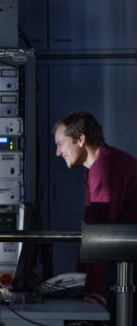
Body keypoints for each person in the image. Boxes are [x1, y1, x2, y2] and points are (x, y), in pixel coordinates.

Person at [53, 110, 137, 302]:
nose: (58, 152)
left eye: (60, 144)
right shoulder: (95, 168)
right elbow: (91, 228)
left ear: (81, 139)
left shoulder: (105, 167)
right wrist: (81, 278)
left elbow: (100, 234)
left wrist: (93, 290)